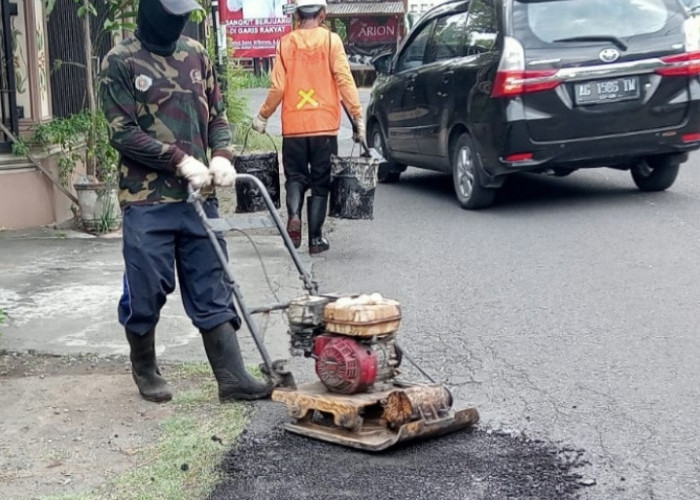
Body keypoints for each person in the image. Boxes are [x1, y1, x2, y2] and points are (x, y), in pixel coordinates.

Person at [100, 0, 271, 403]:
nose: (177, 21)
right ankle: (145, 368)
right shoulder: (120, 61)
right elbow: (121, 133)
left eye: (182, 14)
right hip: (147, 199)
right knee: (147, 286)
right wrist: (178, 160)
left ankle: (231, 377)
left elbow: (217, 114)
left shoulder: (196, 54)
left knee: (212, 280)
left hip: (199, 197)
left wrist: (222, 155)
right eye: (170, 13)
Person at [252, 0, 365, 254]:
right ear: (323, 14)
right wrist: (357, 117)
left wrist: (262, 116)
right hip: (324, 127)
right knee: (321, 181)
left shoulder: (285, 43)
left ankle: (294, 215)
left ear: (297, 16)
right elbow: (345, 80)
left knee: (295, 176)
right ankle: (315, 239)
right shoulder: (331, 41)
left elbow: (278, 88)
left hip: (294, 127)